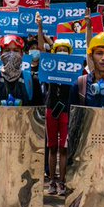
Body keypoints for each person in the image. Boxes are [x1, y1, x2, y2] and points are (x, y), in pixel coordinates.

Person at [44, 37, 74, 196]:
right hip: (51, 109)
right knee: (52, 147)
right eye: (59, 50)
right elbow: (43, 54)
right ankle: (51, 181)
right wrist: (40, 28)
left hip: (66, 111)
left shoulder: (74, 68)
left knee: (64, 148)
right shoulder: (49, 66)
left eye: (65, 50)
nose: (62, 52)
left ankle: (62, 181)